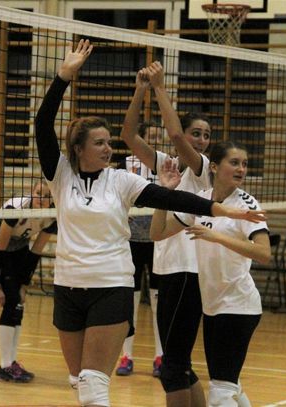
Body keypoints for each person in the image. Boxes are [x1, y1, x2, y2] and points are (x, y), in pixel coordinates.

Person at [34, 39, 265, 407]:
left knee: (105, 382)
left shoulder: (126, 179)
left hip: (117, 283)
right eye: (99, 143)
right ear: (78, 148)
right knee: (82, 381)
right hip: (70, 284)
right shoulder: (62, 176)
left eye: (108, 142)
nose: (109, 148)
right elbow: (45, 125)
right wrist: (63, 76)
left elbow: (173, 196)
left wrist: (221, 210)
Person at [150, 141, 271, 407]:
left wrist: (217, 237)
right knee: (229, 386)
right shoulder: (202, 200)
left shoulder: (246, 203)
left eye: (244, 164)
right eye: (234, 163)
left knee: (220, 393)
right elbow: (157, 233)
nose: (241, 169)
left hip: (238, 304)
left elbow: (264, 253)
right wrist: (164, 195)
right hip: (213, 305)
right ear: (214, 167)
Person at [120, 61, 212, 407]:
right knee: (180, 366)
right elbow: (129, 137)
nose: (201, 140)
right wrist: (140, 90)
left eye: (206, 135)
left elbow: (174, 136)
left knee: (173, 369)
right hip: (170, 272)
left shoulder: (202, 170)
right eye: (196, 133)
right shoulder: (169, 166)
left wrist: (160, 87)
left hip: (187, 274)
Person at [0, 180, 57, 383]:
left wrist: (24, 285)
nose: (42, 199)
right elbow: (0, 247)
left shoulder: (52, 216)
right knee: (11, 302)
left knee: (18, 304)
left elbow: (35, 252)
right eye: (39, 193)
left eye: (47, 196)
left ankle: (11, 362)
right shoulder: (16, 209)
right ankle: (4, 367)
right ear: (32, 192)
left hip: (20, 248)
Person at [116, 121, 163, 378]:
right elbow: (111, 195)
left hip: (158, 242)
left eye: (159, 136)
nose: (156, 141)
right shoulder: (125, 165)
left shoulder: (166, 163)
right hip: (131, 241)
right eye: (151, 136)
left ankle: (160, 356)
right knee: (130, 301)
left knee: (158, 302)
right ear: (141, 139)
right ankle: (126, 356)